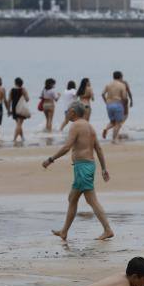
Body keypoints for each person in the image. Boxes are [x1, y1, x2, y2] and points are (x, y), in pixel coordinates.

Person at [42, 101, 114, 241]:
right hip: (88, 166)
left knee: (90, 200)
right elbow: (98, 148)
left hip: (82, 167)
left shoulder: (75, 126)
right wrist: (104, 168)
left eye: (67, 111)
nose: (66, 113)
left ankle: (107, 229)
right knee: (73, 198)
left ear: (73, 112)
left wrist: (50, 159)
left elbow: (66, 147)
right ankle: (64, 231)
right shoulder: (89, 126)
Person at [102, 71, 129, 143]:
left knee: (112, 121)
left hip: (109, 105)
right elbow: (124, 97)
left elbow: (102, 94)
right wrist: (125, 106)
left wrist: (106, 102)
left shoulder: (108, 85)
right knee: (118, 123)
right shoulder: (122, 85)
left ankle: (106, 128)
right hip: (118, 104)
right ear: (120, 77)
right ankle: (114, 139)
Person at [7, 77, 30, 142]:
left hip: (14, 107)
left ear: (15, 83)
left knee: (18, 124)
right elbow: (27, 99)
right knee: (19, 124)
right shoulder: (23, 89)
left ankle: (22, 138)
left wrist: (8, 110)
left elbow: (9, 100)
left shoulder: (11, 90)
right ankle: (14, 139)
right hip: (21, 108)